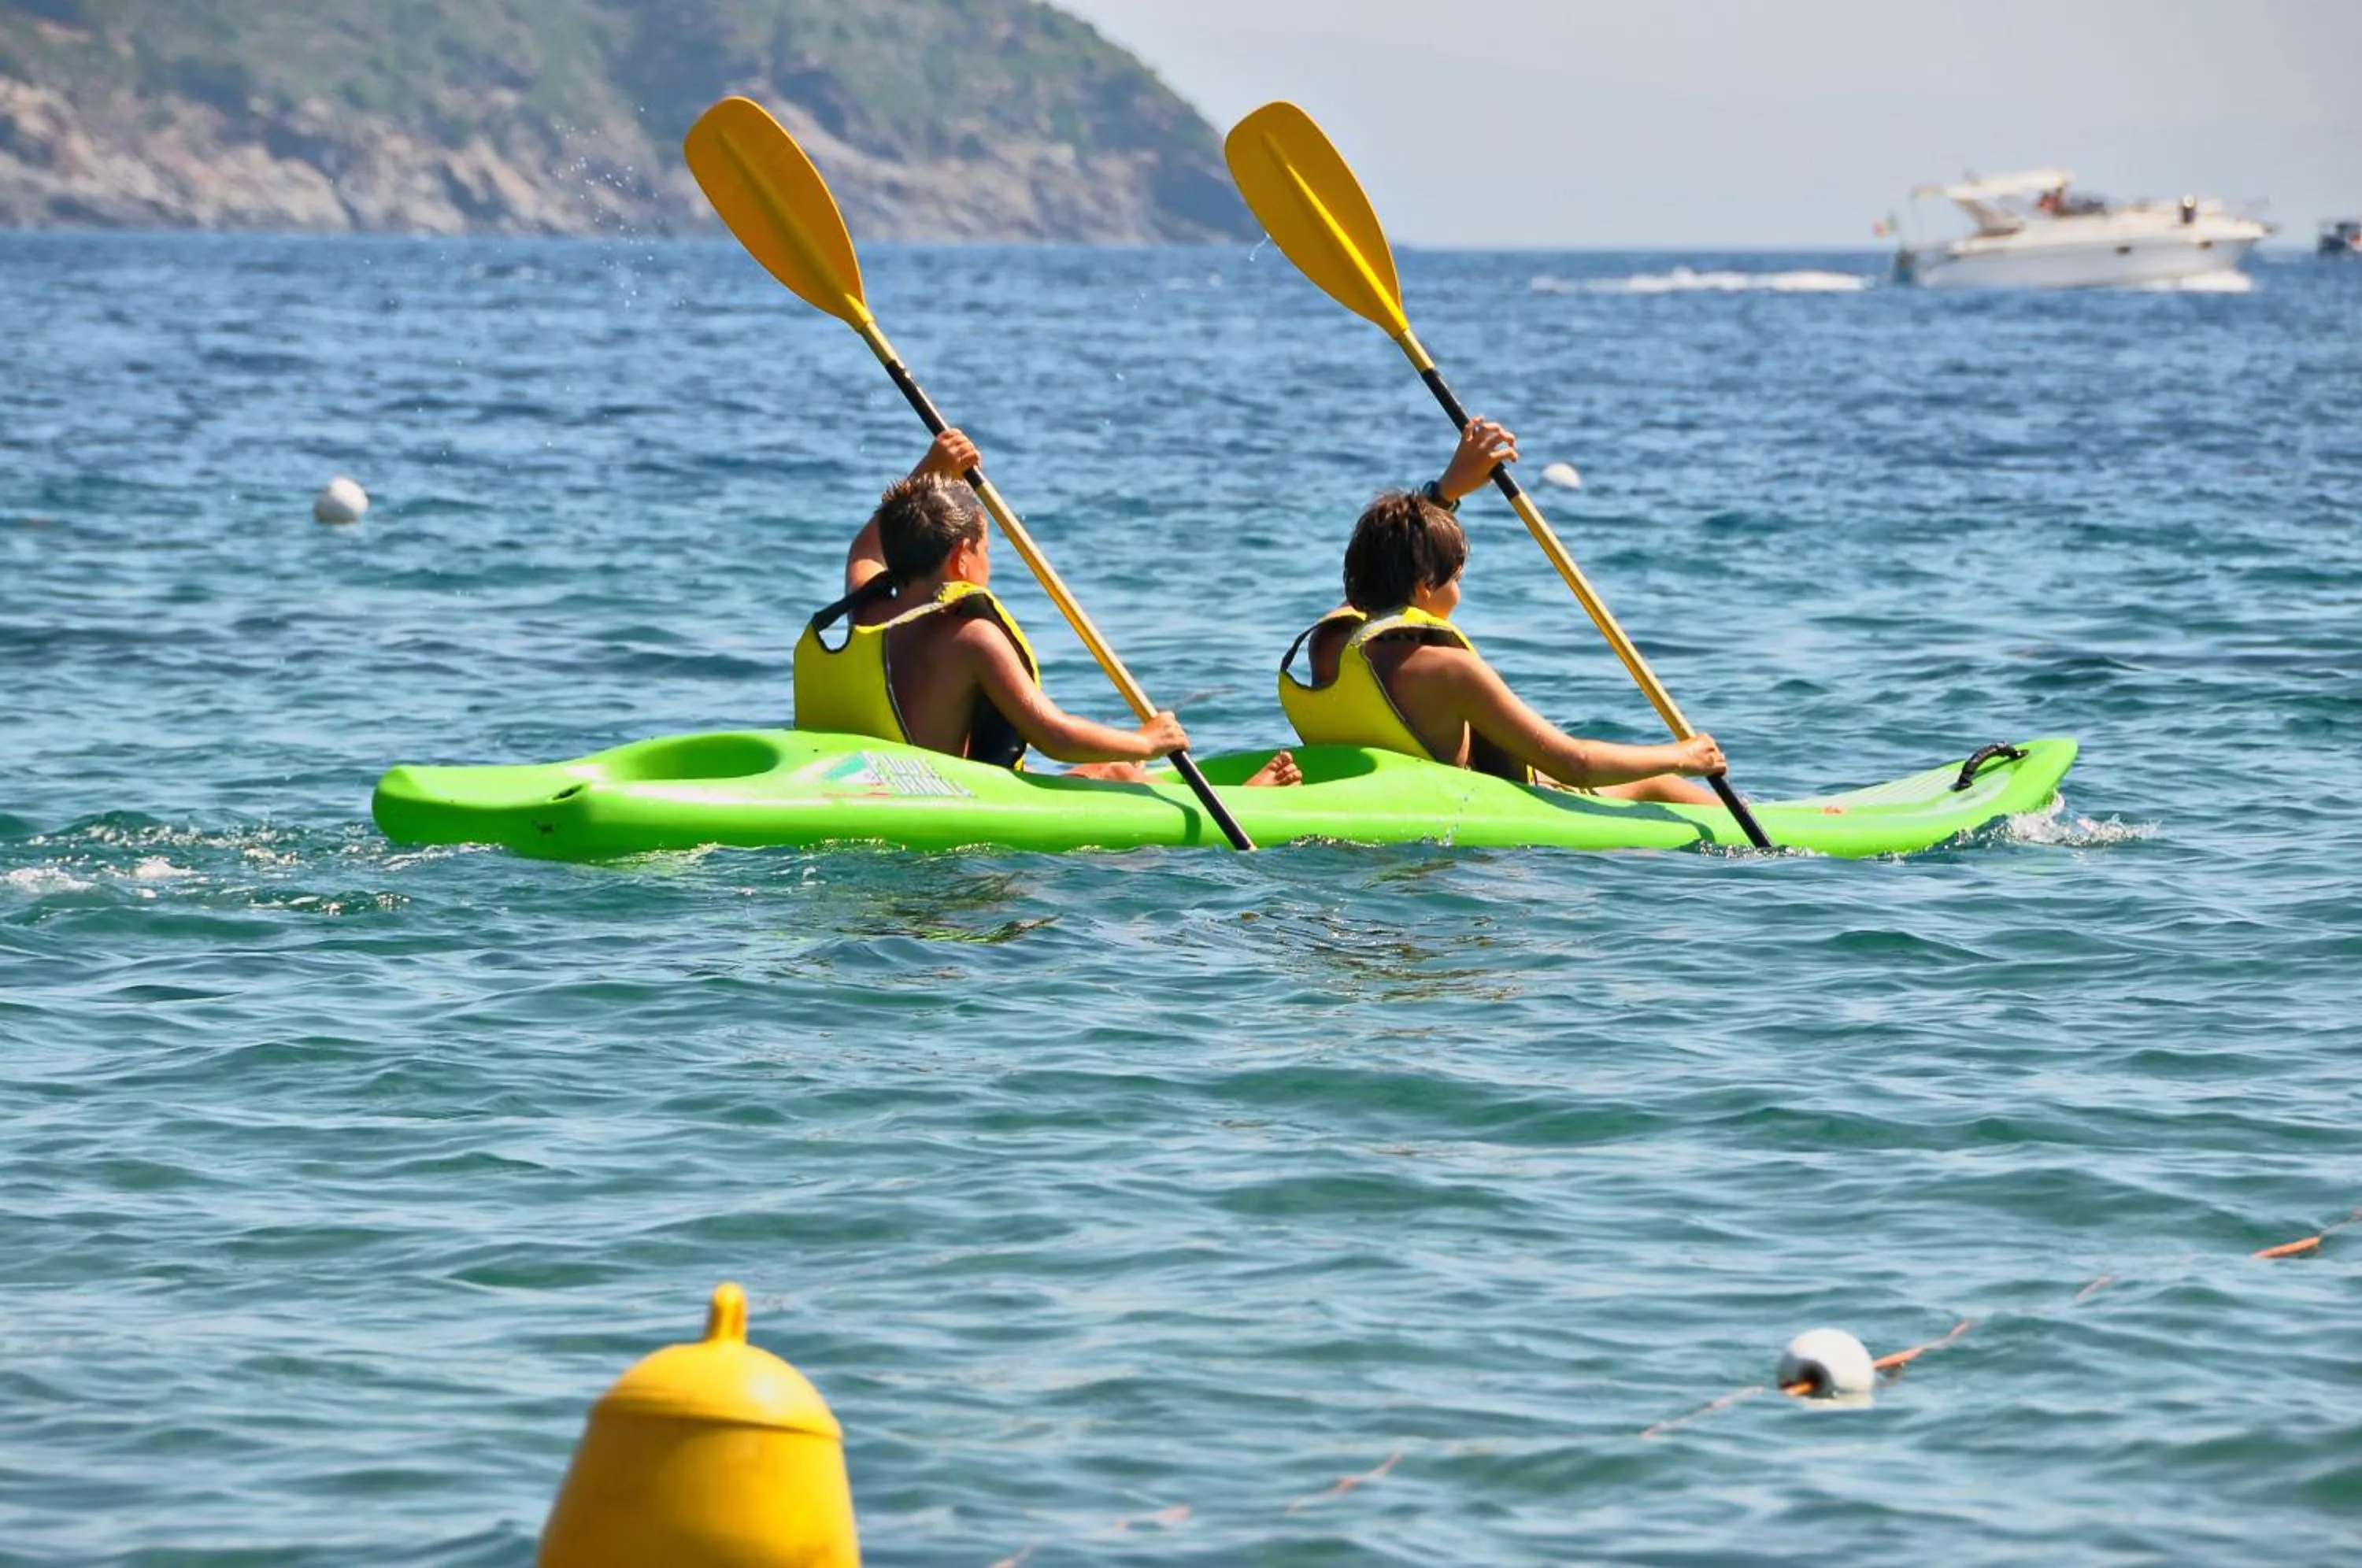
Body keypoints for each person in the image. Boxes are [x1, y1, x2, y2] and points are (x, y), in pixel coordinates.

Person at [798, 428, 1299, 786]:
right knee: (1128, 770)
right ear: (961, 557)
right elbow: (1054, 734)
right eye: (987, 549)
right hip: (950, 802)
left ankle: (1130, 773)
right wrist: (1145, 740)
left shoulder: (867, 607)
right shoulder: (971, 639)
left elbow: (868, 544)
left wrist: (931, 468)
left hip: (876, 783)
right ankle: (1241, 801)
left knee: (1114, 771)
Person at [1278, 417, 1725, 804]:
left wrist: (1446, 490)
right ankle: (1765, 826)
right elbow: (1576, 764)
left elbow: (1379, 575)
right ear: (1424, 586)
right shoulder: (1448, 669)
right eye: (1455, 579)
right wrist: (1684, 755)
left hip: (1373, 796)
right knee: (1659, 785)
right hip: (1468, 818)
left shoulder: (1328, 644)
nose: (1457, 593)